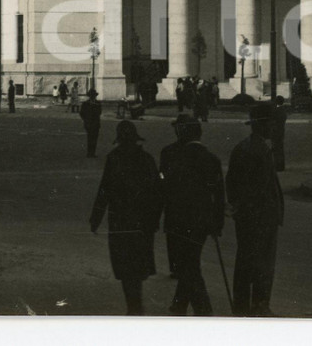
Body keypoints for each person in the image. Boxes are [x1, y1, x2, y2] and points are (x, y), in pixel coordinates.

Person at [90, 120, 162, 316]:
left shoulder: (114, 158)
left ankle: (133, 305)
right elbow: (157, 192)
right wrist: (155, 219)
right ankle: (136, 304)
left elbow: (104, 190)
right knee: (138, 264)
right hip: (142, 221)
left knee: (124, 265)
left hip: (120, 220)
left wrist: (95, 218)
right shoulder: (146, 159)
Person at [160, 112, 224, 315]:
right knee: (190, 261)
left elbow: (163, 187)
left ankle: (203, 309)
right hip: (202, 221)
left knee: (187, 265)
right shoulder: (212, 159)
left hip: (177, 219)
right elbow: (219, 194)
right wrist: (218, 223)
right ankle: (179, 305)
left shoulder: (171, 155)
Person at [226, 103, 285, 317]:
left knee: (248, 262)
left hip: (254, 216)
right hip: (259, 217)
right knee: (260, 264)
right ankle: (258, 306)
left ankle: (245, 306)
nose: (274, 127)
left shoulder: (250, 147)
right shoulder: (255, 149)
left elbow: (232, 184)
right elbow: (246, 187)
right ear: (262, 124)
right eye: (271, 123)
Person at [159, 114, 193, 278]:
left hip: (173, 200)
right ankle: (185, 266)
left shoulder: (168, 151)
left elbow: (162, 176)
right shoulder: (198, 152)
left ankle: (176, 267)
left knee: (173, 236)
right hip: (189, 202)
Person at [79, 89, 103, 158]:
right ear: (90, 96)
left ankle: (93, 152)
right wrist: (85, 119)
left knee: (94, 138)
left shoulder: (98, 103)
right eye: (92, 96)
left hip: (96, 123)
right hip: (89, 123)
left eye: (94, 96)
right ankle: (89, 153)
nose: (93, 97)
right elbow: (81, 113)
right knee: (90, 138)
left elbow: (99, 112)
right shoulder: (86, 104)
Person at [270, 95, 288, 172]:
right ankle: (280, 165)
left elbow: (273, 120)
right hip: (281, 131)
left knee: (276, 148)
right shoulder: (283, 110)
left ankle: (277, 165)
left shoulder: (276, 110)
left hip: (276, 131)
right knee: (280, 149)